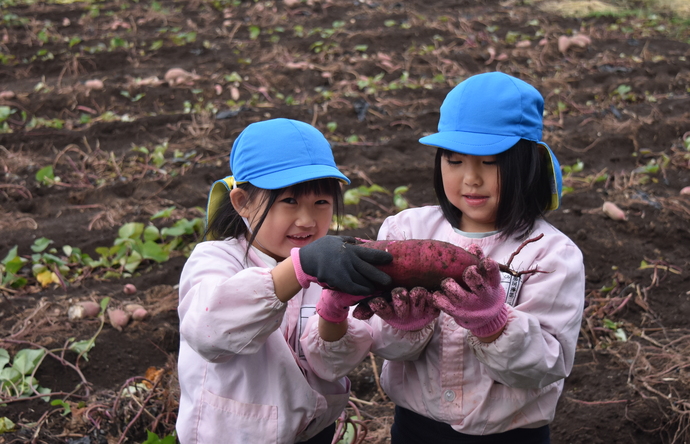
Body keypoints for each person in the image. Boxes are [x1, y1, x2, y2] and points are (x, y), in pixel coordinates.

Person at [362, 72, 586, 443]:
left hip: (510, 435)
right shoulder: (404, 231)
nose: (470, 179)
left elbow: (547, 366)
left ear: (526, 163)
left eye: (490, 162)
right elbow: (382, 344)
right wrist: (406, 327)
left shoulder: (550, 253)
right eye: (454, 160)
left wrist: (494, 323)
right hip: (415, 428)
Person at [175, 118, 394, 444]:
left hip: (313, 434)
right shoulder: (216, 260)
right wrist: (298, 268)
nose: (307, 220)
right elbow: (209, 332)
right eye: (289, 201)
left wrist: (334, 312)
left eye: (321, 203)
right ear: (242, 203)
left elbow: (334, 365)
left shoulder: (331, 267)